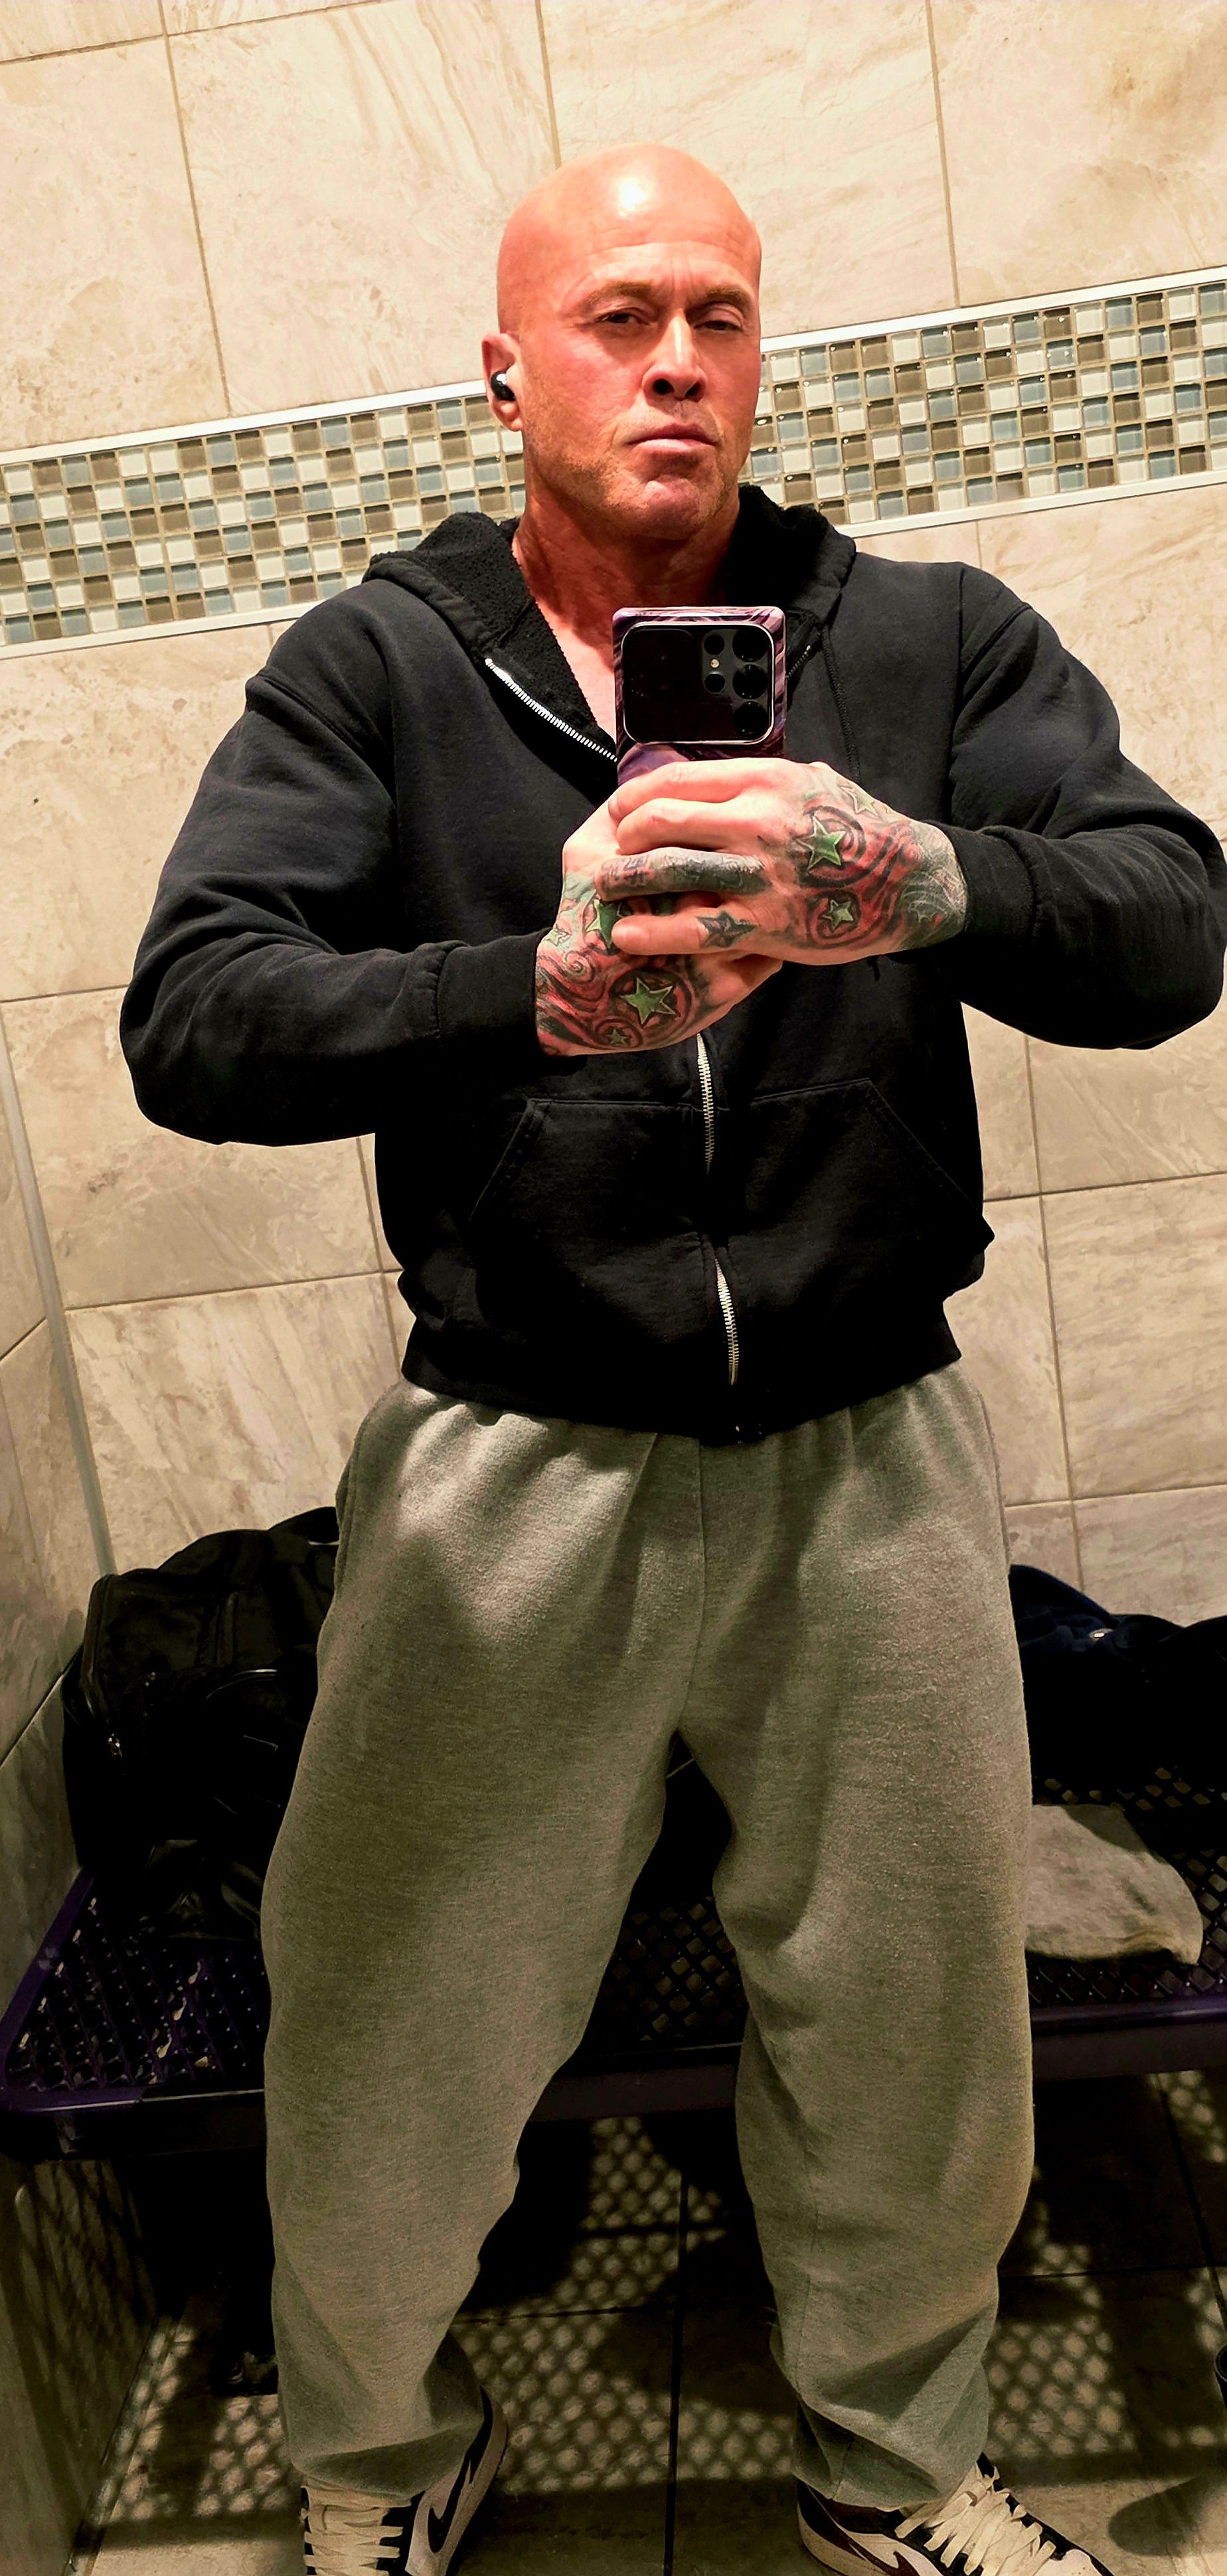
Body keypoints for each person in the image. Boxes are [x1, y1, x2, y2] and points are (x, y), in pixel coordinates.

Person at [122, 143, 1227, 2576]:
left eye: (718, 315)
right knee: (393, 2013)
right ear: (506, 366)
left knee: (911, 2024)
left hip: (870, 1446)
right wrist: (518, 995)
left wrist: (928, 882)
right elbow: (192, 1018)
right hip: (513, 1456)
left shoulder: (923, 641)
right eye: (619, 316)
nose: (678, 363)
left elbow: (1172, 923)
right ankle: (379, 2462)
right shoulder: (377, 672)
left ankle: (886, 2476)